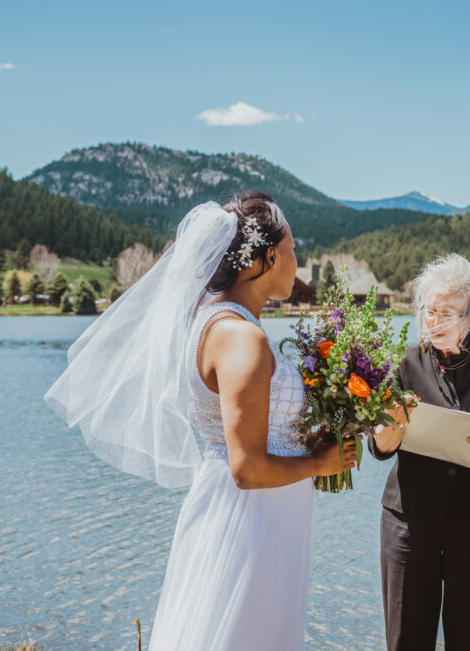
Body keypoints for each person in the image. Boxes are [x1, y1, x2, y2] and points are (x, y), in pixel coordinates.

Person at [45, 191, 356, 650]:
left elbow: (253, 429)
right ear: (264, 258)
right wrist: (319, 465)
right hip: (252, 520)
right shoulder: (240, 338)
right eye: (291, 251)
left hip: (255, 512)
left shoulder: (214, 321)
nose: (296, 261)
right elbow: (247, 468)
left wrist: (308, 437)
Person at [368, 253, 470, 651]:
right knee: (406, 642)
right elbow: (378, 448)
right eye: (429, 311)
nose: (434, 321)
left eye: (447, 313)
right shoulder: (402, 364)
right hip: (408, 525)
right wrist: (390, 430)